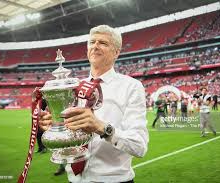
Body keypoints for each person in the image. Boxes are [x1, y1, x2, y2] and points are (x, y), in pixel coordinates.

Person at [39, 25, 149, 183]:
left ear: (116, 53)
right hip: (75, 180)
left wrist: (101, 128)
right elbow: (68, 132)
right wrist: (55, 125)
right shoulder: (73, 87)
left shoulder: (131, 87)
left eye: (103, 43)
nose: (95, 46)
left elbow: (140, 146)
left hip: (113, 180)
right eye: (92, 42)